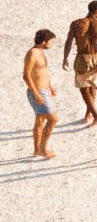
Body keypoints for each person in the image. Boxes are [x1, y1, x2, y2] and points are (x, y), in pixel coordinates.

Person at [64, 0, 97, 128]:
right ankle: (88, 114)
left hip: (82, 57)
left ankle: (95, 117)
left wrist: (65, 58)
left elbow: (68, 41)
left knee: (84, 89)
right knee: (92, 86)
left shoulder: (76, 23)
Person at [23, 28, 58, 159]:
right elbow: (26, 75)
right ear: (44, 41)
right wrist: (36, 94)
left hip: (44, 90)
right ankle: (43, 149)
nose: (52, 44)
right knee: (53, 119)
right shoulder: (33, 53)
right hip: (37, 92)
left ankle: (37, 150)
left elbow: (41, 72)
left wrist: (49, 85)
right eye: (51, 42)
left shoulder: (40, 52)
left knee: (40, 119)